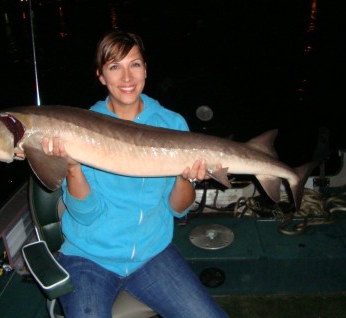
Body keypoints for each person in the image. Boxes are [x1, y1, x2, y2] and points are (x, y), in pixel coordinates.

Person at [41, 30, 229, 318]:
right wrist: (72, 166)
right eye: (115, 67)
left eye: (135, 65)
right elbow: (86, 215)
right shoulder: (80, 127)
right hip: (90, 258)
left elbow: (178, 209)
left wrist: (184, 177)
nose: (127, 77)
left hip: (152, 255)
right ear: (101, 76)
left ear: (146, 70)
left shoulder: (171, 123)